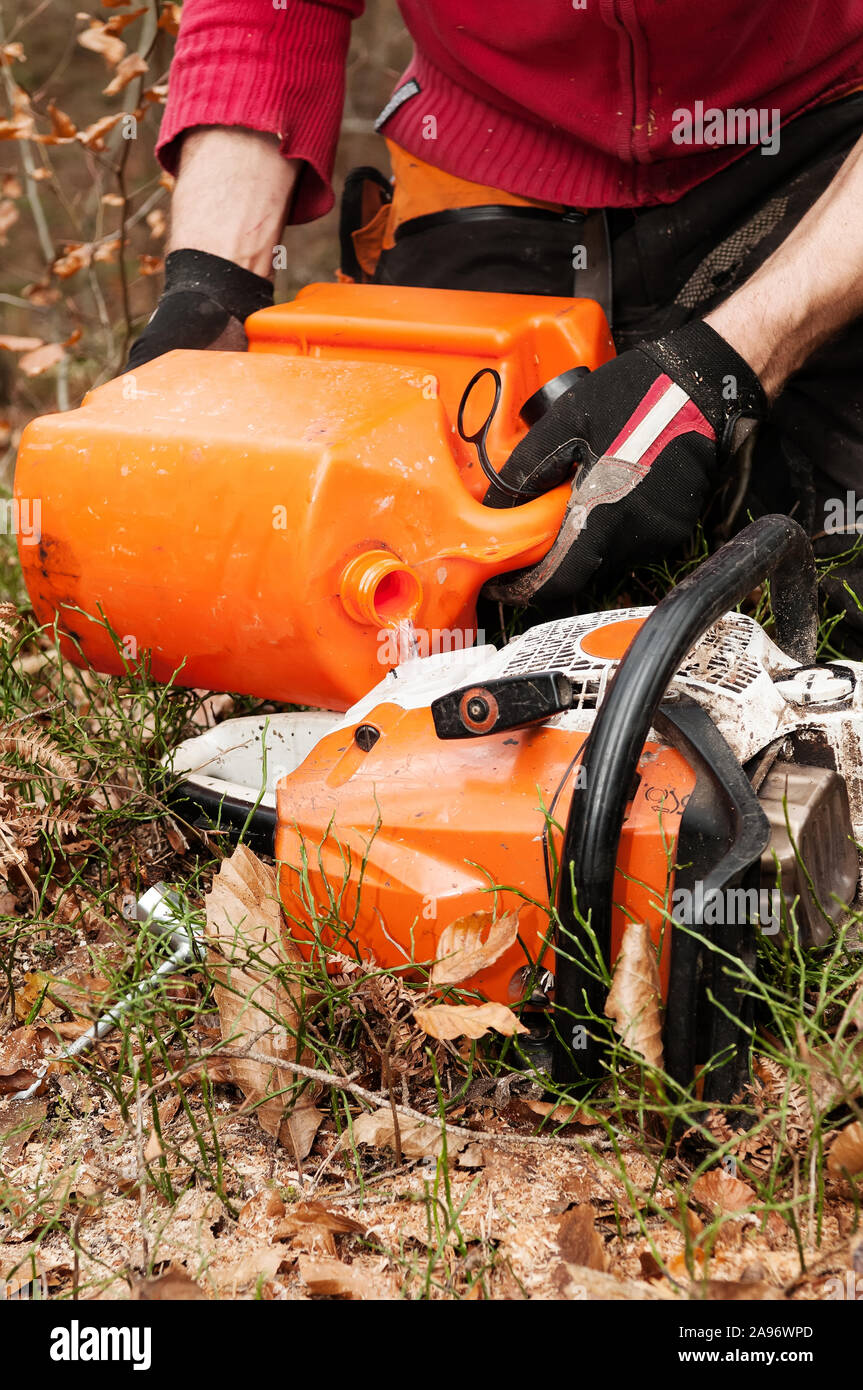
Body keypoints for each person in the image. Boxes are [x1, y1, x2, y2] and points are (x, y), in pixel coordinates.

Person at [131, 1, 863, 635]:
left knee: (840, 603)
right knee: (412, 593)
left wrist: (724, 363)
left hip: (814, 134)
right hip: (489, 145)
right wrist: (212, 284)